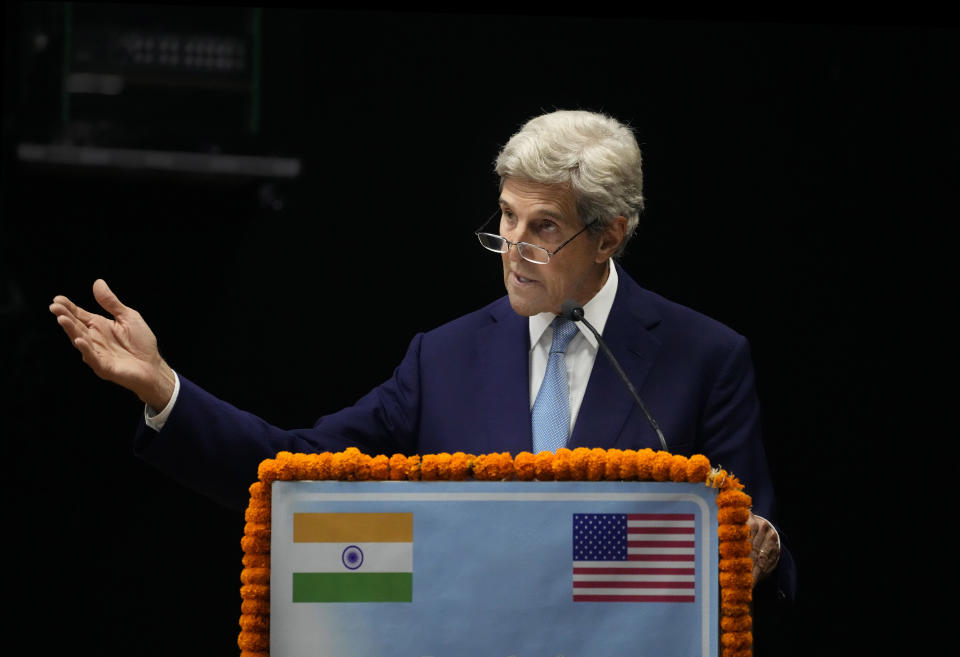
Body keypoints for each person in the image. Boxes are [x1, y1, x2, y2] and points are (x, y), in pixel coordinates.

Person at [50, 110, 794, 599]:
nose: (514, 249)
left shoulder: (705, 358)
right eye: (506, 217)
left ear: (610, 235)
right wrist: (165, 390)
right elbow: (294, 470)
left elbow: (762, 549)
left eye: (544, 227)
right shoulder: (442, 360)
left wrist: (759, 554)